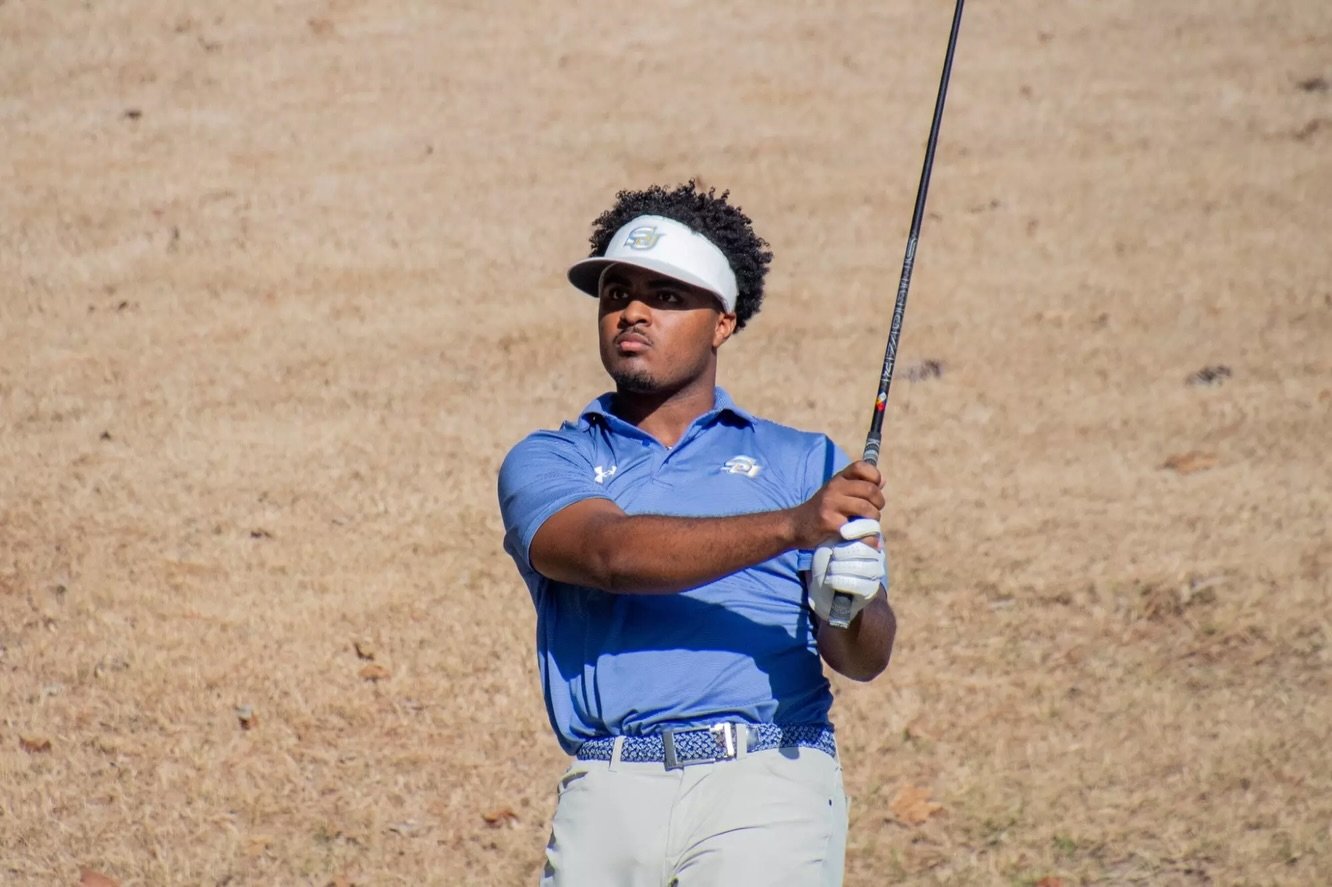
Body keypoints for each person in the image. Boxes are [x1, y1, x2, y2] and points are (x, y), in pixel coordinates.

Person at [497, 182, 896, 886]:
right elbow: (607, 553)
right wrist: (792, 526)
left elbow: (861, 657)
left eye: (667, 295)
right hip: (609, 781)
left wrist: (853, 603)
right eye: (617, 292)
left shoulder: (805, 461)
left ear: (723, 323)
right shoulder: (548, 459)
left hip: (769, 778)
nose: (633, 311)